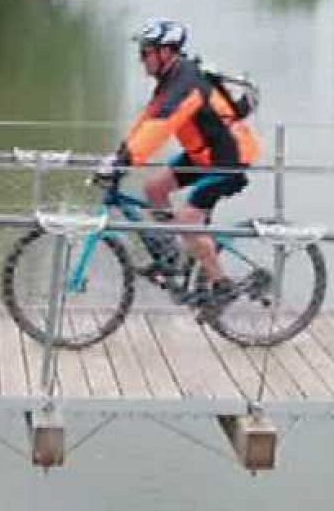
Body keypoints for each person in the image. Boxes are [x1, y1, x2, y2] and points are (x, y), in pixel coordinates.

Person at [100, 19, 262, 312]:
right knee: (155, 189)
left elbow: (162, 127)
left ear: (166, 52)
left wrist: (126, 161)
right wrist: (120, 156)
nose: (141, 59)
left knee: (187, 218)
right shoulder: (170, 81)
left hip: (229, 159)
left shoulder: (186, 85)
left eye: (145, 52)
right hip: (203, 155)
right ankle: (171, 257)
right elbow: (148, 120)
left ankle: (221, 284)